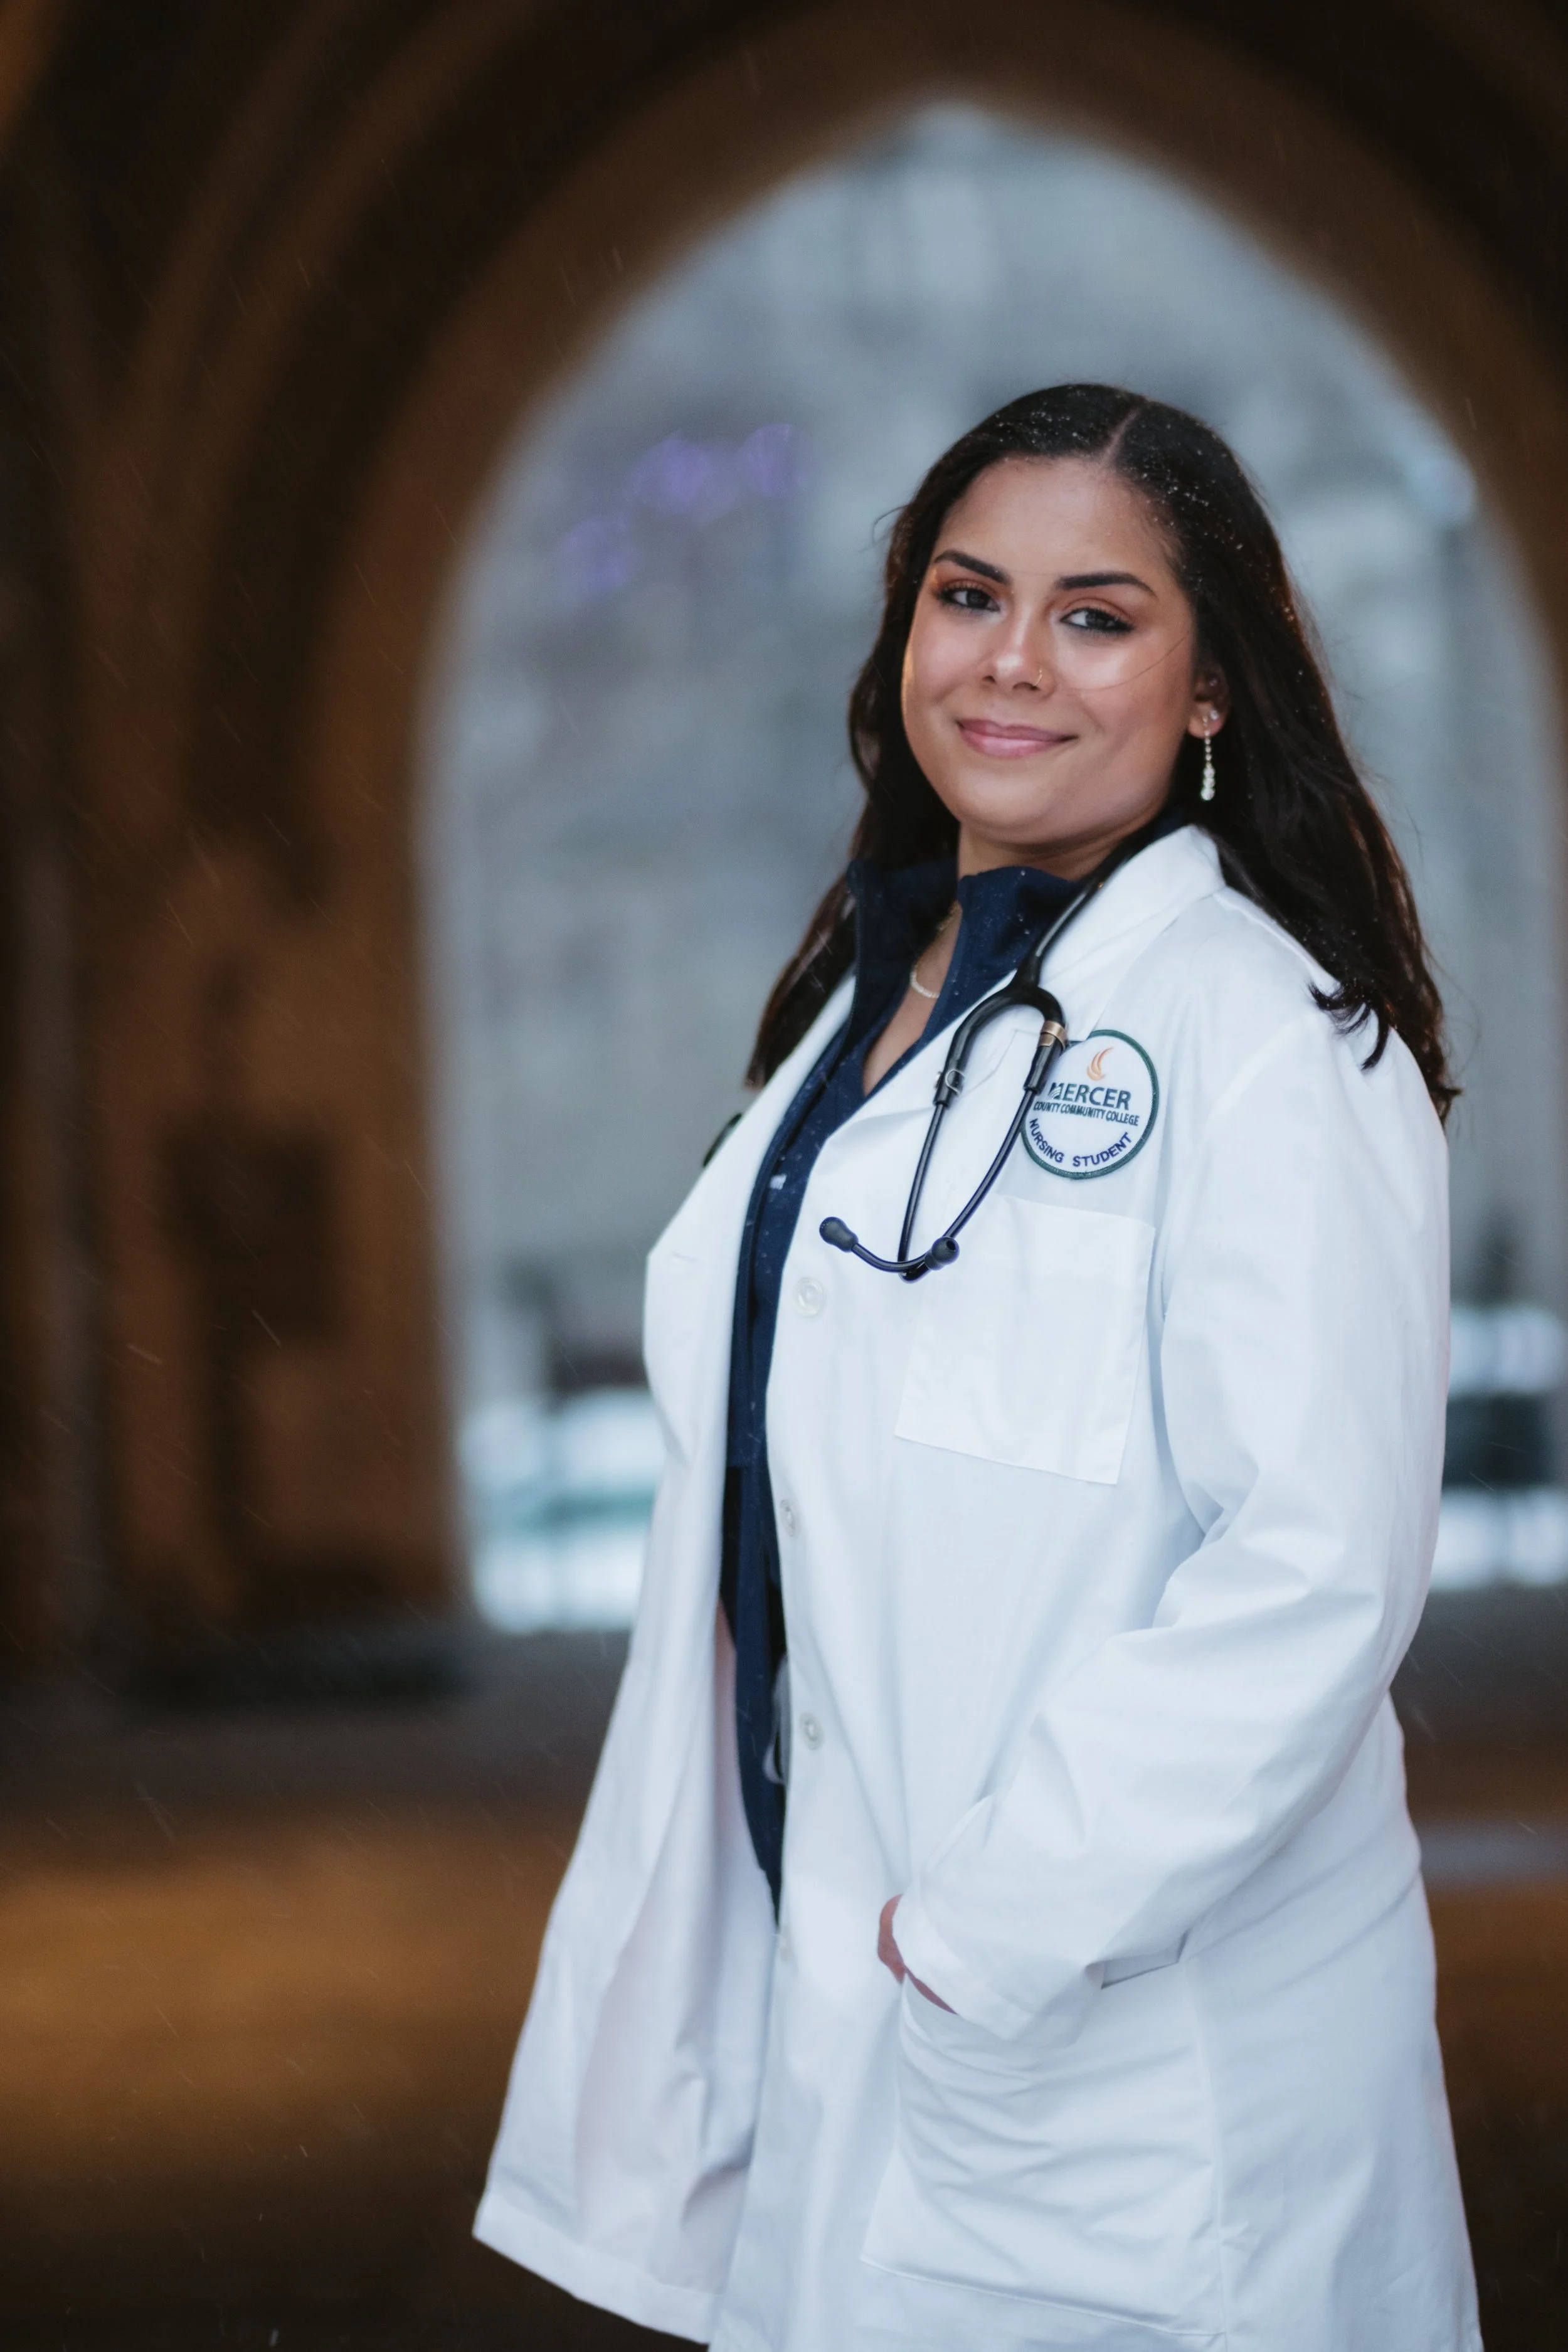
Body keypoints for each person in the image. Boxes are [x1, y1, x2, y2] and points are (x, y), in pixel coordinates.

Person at [475, 384, 1481, 2351]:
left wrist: (977, 1938)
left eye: (1096, 615)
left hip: (1105, 2049)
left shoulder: (1270, 1037)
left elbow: (1311, 1573)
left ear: (1211, 686)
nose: (1012, 660)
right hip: (856, 1997)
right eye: (966, 595)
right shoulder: (875, 997)